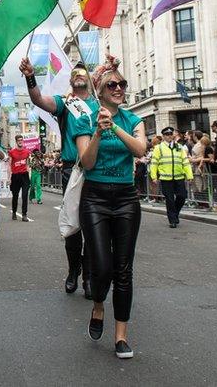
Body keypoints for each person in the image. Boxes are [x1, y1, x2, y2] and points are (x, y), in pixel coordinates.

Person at [73, 68, 147, 359]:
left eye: (121, 83)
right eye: (111, 84)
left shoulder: (133, 120)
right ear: (99, 91)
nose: (118, 88)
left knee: (124, 270)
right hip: (95, 198)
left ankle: (121, 336)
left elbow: (140, 149)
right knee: (102, 268)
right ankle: (98, 304)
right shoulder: (85, 119)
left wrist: (114, 127)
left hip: (126, 199)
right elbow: (87, 163)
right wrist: (97, 132)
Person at [21, 58, 97, 298]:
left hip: (97, 170)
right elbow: (38, 100)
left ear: (90, 79)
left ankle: (89, 276)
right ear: (71, 81)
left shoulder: (99, 105)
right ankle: (73, 270)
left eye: (82, 72)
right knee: (73, 226)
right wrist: (30, 76)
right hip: (70, 170)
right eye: (74, 73)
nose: (78, 75)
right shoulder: (66, 103)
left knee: (94, 227)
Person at [149, 127, 192, 228]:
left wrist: (189, 175)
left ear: (173, 135)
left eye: (170, 134)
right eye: (167, 135)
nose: (169, 136)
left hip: (179, 177)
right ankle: (172, 220)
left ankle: (175, 213)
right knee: (170, 199)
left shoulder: (179, 147)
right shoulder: (158, 148)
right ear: (163, 136)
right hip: (166, 178)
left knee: (182, 196)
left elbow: (185, 162)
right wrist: (154, 176)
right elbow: (154, 163)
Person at [8, 134, 31, 221]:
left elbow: (28, 164)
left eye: (21, 140)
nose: (20, 141)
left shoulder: (27, 152)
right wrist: (9, 177)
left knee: (25, 195)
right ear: (16, 141)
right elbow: (9, 165)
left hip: (24, 175)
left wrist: (29, 173)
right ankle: (14, 212)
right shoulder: (12, 152)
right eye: (18, 140)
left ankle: (24, 214)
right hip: (15, 176)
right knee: (15, 196)